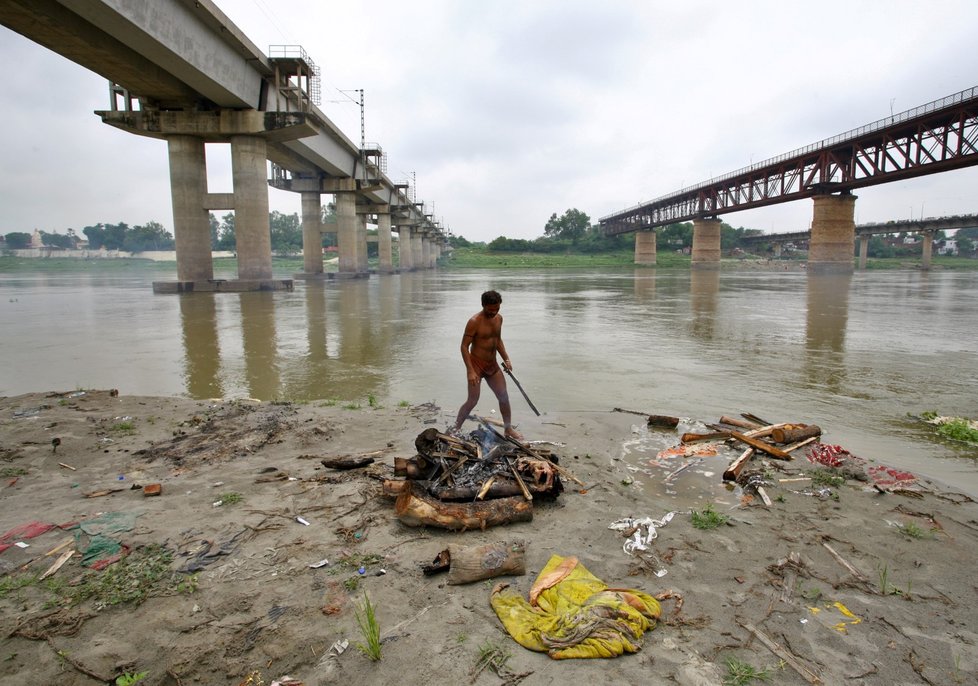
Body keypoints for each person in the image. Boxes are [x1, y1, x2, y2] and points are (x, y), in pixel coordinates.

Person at [452, 290, 522, 440]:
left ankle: (508, 429)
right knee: (472, 400)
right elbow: (464, 346)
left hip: (492, 364)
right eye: (490, 310)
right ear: (483, 305)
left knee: (503, 397)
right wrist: (470, 371)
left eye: (496, 309)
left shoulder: (499, 319)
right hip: (476, 364)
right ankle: (455, 428)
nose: (493, 312)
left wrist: (507, 359)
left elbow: (498, 340)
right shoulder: (474, 321)